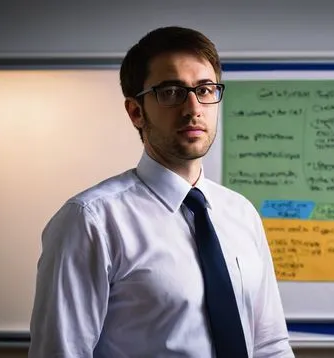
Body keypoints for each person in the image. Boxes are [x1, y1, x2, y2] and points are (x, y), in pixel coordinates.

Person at [29, 26, 294, 358]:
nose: (193, 107)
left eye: (206, 89)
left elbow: (270, 344)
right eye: (171, 91)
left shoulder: (240, 213)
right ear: (136, 112)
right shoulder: (91, 221)